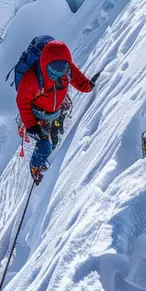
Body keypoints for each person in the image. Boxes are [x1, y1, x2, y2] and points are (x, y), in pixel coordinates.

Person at [16, 39, 97, 184]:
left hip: (56, 110)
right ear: (44, 64)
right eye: (54, 68)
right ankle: (36, 167)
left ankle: (48, 161)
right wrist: (31, 126)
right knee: (45, 144)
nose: (58, 73)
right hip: (39, 115)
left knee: (54, 137)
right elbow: (22, 102)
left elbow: (78, 79)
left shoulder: (67, 70)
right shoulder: (31, 80)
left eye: (63, 67)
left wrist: (89, 86)